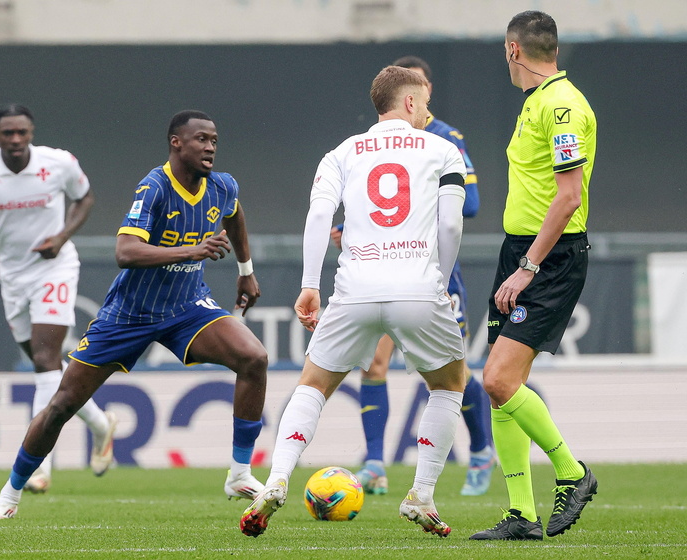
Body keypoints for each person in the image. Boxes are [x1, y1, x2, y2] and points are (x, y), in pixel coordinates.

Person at [0, 110, 269, 520]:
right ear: (176, 143)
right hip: (129, 316)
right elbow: (126, 253)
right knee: (63, 404)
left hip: (187, 307)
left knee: (254, 358)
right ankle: (9, 495)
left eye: (214, 141)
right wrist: (192, 250)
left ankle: (239, 473)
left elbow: (234, 215)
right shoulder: (153, 188)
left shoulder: (222, 186)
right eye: (201, 139)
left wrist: (246, 271)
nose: (209, 147)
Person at [241, 66, 467, 538]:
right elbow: (450, 226)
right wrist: (440, 283)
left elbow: (320, 213)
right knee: (448, 386)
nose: (428, 110)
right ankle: (421, 494)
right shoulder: (445, 149)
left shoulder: (341, 152)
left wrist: (309, 284)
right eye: (423, 101)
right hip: (418, 287)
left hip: (355, 288)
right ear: (409, 103)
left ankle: (277, 477)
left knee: (314, 385)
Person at [330, 54, 495, 498]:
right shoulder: (374, 143)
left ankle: (481, 449)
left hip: (433, 273)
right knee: (375, 363)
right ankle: (374, 465)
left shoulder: (444, 138)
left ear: (425, 94)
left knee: (446, 371)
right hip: (383, 270)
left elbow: (471, 205)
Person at [470, 11, 598, 541]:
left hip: (548, 258)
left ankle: (572, 473)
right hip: (520, 250)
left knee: (497, 379)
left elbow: (568, 197)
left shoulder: (562, 106)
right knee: (501, 387)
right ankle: (521, 513)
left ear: (512, 51)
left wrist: (528, 268)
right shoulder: (537, 102)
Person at [0, 104, 117, 494]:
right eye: (7, 133)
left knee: (44, 362)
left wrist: (60, 238)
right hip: (12, 276)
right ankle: (100, 423)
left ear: (31, 132)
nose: (16, 140)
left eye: (22, 132)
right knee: (49, 367)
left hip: (55, 268)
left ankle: (39, 466)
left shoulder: (58, 163)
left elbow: (86, 198)